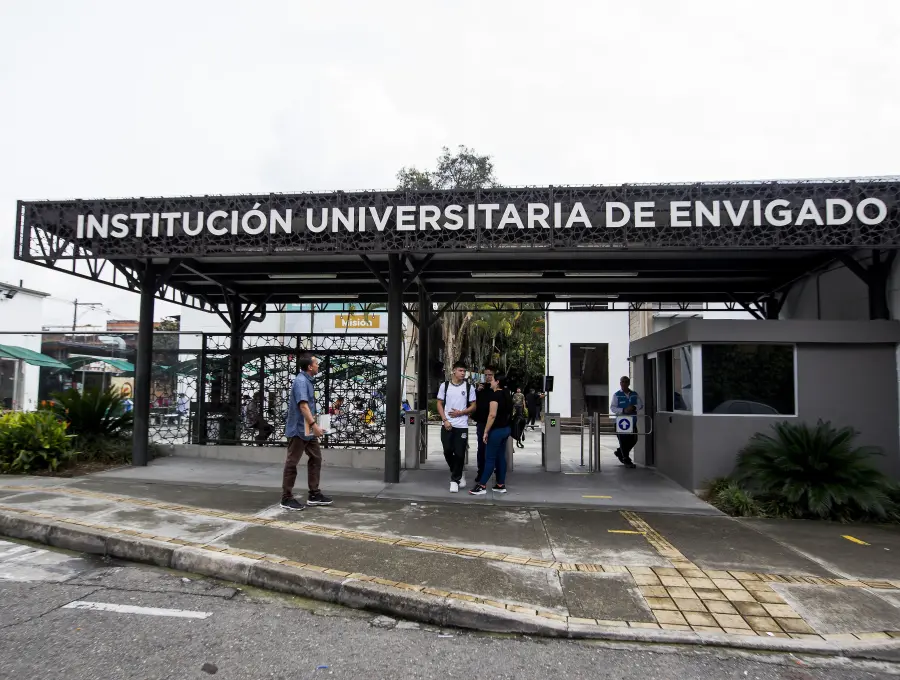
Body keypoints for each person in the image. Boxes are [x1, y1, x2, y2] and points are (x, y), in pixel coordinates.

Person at [281, 354, 333, 510]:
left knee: (316, 458)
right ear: (310, 367)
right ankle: (286, 498)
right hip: (298, 429)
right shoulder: (301, 382)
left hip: (307, 429)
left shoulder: (308, 381)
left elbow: (308, 407)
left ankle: (314, 494)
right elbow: (303, 406)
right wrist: (314, 425)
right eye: (316, 363)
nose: (318, 365)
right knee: (292, 463)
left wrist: (314, 425)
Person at [436, 360, 476, 493]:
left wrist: (461, 412)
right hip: (447, 424)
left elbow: (473, 406)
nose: (463, 373)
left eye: (464, 371)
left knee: (459, 454)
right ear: (453, 371)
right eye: (460, 370)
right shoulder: (445, 386)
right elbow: (439, 403)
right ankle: (458, 472)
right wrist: (445, 419)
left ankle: (454, 480)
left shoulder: (469, 388)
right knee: (447, 450)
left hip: (462, 426)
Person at [469, 373, 512, 495]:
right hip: (506, 429)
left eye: (492, 380)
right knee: (500, 457)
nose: (490, 382)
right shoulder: (506, 394)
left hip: (496, 431)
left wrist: (486, 431)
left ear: (497, 382)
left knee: (490, 458)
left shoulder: (495, 395)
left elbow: (492, 415)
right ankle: (500, 484)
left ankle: (481, 485)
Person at [610, 375, 643, 469]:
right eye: (622, 382)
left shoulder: (634, 394)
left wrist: (634, 407)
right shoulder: (617, 395)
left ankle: (620, 452)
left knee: (633, 439)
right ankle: (626, 459)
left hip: (632, 422)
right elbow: (613, 407)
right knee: (623, 441)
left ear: (628, 383)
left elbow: (640, 404)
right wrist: (623, 410)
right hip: (621, 423)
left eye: (625, 382)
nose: (623, 384)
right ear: (620, 383)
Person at [471, 365, 497, 482]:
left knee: (495, 448)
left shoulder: (498, 389)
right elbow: (475, 405)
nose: (487, 377)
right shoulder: (481, 389)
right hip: (482, 423)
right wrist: (477, 391)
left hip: (495, 424)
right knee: (481, 448)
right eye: (486, 375)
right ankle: (481, 472)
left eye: (490, 375)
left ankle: (496, 471)